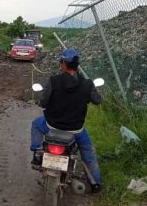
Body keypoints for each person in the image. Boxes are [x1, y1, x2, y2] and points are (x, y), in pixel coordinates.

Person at [30, 48, 103, 192]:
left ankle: (38, 154)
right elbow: (98, 100)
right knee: (88, 153)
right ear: (77, 65)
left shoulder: (54, 81)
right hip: (76, 130)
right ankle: (96, 184)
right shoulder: (87, 84)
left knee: (36, 124)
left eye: (60, 62)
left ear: (63, 63)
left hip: (51, 126)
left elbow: (43, 103)